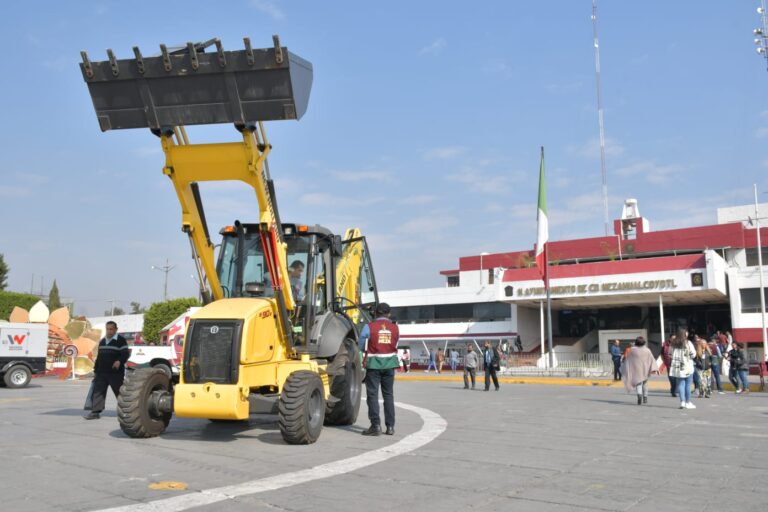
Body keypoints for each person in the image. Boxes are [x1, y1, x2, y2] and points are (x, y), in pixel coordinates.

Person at [358, 302, 399, 436]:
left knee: (373, 395)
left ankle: (375, 425)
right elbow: (395, 342)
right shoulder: (395, 328)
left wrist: (367, 348)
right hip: (390, 364)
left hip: (374, 364)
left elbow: (361, 343)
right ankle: (390, 427)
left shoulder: (369, 327)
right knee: (388, 395)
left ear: (376, 313)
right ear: (389, 314)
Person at [83, 321, 129, 420]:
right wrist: (95, 370)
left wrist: (119, 361)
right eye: (107, 329)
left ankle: (126, 411)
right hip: (101, 372)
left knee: (119, 392)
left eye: (111, 329)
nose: (109, 331)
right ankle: (95, 412)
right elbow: (99, 357)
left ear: (116, 329)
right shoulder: (103, 341)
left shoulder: (121, 340)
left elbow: (125, 354)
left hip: (115, 373)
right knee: (98, 392)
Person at [623, 336, 658, 405]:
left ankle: (639, 395)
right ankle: (645, 397)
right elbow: (652, 359)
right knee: (645, 383)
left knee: (638, 383)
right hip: (645, 369)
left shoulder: (632, 350)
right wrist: (655, 368)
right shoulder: (647, 350)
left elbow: (628, 359)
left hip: (636, 369)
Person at [669, 328, 697, 410]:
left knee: (681, 384)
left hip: (678, 367)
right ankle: (688, 402)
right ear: (685, 334)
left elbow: (670, 354)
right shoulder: (688, 343)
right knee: (688, 385)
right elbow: (693, 354)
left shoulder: (673, 343)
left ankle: (682, 402)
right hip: (687, 366)